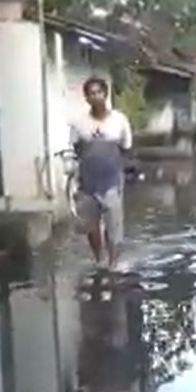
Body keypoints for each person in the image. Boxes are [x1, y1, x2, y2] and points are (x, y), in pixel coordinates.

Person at [69, 76, 133, 270]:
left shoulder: (119, 120)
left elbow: (126, 147)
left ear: (105, 95)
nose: (96, 96)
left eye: (99, 92)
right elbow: (76, 149)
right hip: (87, 182)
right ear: (86, 98)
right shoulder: (79, 123)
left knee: (113, 225)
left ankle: (113, 262)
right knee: (91, 226)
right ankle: (99, 260)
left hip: (112, 181)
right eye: (91, 93)